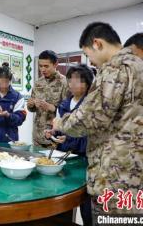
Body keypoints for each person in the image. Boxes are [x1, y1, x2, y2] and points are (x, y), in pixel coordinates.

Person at [53, 22, 143, 218]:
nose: (91, 61)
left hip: (115, 178)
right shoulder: (138, 66)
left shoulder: (116, 68)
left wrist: (61, 123)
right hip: (135, 177)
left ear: (97, 44)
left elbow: (89, 118)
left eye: (88, 54)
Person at [45, 64, 94, 156]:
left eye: (77, 81)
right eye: (70, 81)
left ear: (88, 84)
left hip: (83, 157)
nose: (72, 85)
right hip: (63, 155)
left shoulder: (91, 106)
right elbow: (59, 130)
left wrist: (68, 139)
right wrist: (52, 133)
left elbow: (90, 137)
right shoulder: (63, 105)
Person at [27, 50, 68, 147]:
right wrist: (30, 105)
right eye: (40, 66)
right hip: (37, 136)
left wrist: (53, 108)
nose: (43, 69)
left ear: (55, 64)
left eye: (46, 66)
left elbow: (68, 111)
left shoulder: (64, 82)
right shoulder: (38, 83)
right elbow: (32, 108)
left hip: (54, 137)